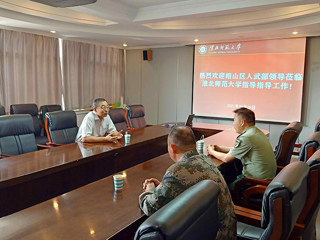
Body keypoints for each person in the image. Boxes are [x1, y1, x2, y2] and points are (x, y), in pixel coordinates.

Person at [139, 126, 236, 240]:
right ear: (195, 144)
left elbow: (151, 208)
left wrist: (150, 190)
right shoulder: (206, 160)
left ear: (172, 148)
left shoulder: (177, 171)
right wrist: (164, 186)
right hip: (228, 233)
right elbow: (191, 189)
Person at [207, 107, 277, 189]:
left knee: (220, 188)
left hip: (254, 182)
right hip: (266, 179)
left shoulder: (246, 137)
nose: (233, 123)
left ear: (242, 122)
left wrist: (211, 151)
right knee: (230, 171)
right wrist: (220, 149)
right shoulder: (255, 132)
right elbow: (237, 149)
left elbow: (226, 158)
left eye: (234, 120)